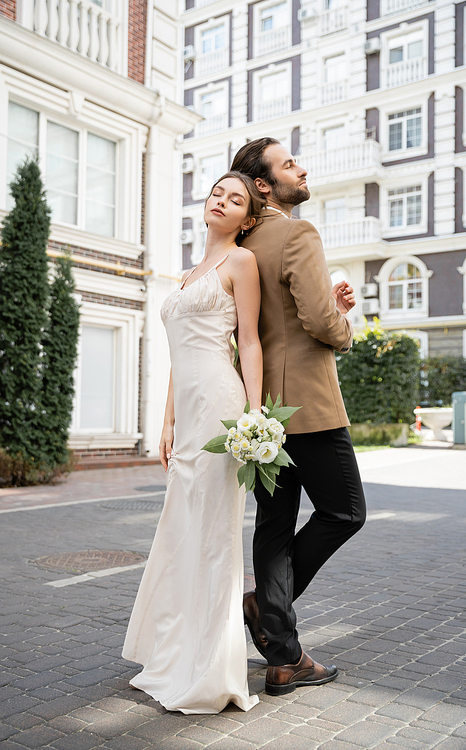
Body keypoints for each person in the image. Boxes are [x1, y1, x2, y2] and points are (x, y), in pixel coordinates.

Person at [122, 172, 265, 714]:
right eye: (216, 193)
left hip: (222, 407)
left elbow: (247, 341)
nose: (221, 202)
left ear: (247, 219)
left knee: (212, 533)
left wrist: (253, 417)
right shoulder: (185, 276)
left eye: (236, 199)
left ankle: (210, 668)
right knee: (181, 530)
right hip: (188, 410)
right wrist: (165, 423)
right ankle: (173, 654)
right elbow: (177, 362)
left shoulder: (240, 263)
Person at [231, 138, 367, 696]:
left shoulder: (244, 244)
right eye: (289, 164)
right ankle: (267, 610)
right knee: (345, 512)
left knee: (274, 524)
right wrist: (342, 322)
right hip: (307, 404)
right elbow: (315, 319)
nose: (301, 168)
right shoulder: (297, 232)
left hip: (264, 409)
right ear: (263, 185)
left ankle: (283, 659)